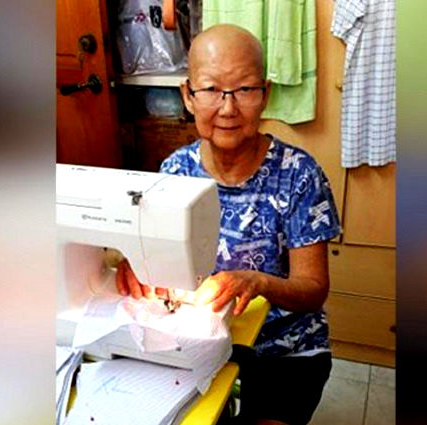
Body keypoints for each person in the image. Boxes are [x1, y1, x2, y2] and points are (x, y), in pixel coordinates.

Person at [116, 24, 341, 425]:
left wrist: (256, 282)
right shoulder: (174, 172)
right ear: (188, 96)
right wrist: (138, 264)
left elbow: (313, 290)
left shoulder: (299, 175)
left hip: (285, 351)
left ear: (265, 94)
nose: (228, 108)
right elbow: (157, 264)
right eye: (211, 90)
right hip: (199, 343)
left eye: (244, 90)